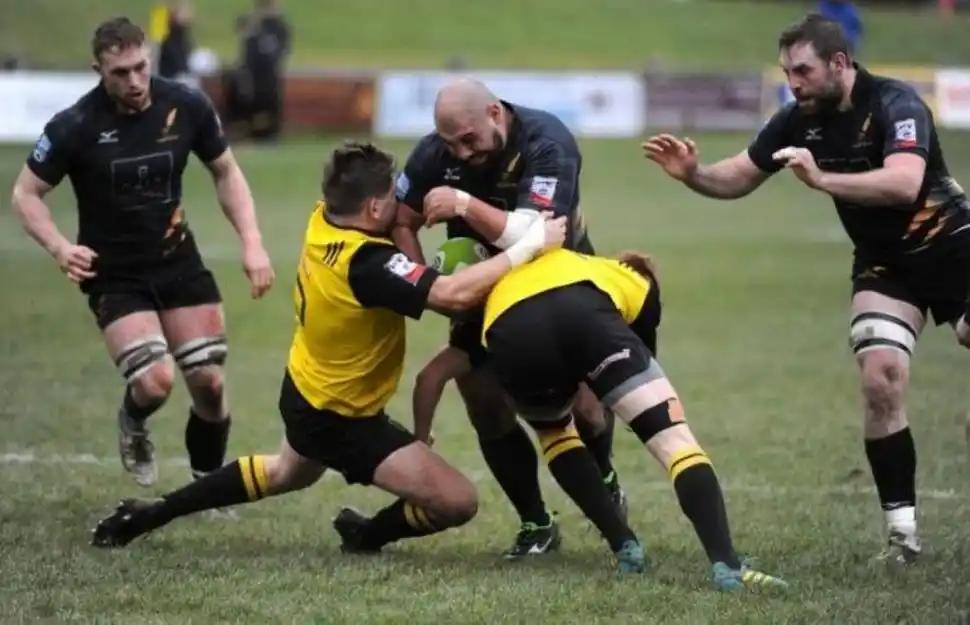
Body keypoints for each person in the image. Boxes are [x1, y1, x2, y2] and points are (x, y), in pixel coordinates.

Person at [89, 141, 568, 551]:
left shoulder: (323, 219)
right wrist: (527, 246)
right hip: (342, 418)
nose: (402, 207)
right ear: (374, 210)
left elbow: (394, 248)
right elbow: (450, 295)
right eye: (393, 199)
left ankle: (153, 513)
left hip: (306, 391)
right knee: (458, 501)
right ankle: (368, 536)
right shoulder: (368, 265)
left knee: (284, 474)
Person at [642, 13, 969, 564]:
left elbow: (905, 181)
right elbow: (740, 176)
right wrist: (694, 173)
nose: (792, 83)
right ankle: (902, 538)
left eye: (802, 70)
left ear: (839, 64)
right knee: (880, 379)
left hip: (953, 247)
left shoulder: (896, 103)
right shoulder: (798, 119)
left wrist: (822, 181)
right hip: (886, 266)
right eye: (786, 72)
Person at [10, 17, 275, 488]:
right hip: (114, 274)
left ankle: (205, 485)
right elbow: (25, 194)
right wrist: (58, 246)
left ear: (149, 59)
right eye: (120, 73)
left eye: (139, 68)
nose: (134, 82)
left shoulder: (186, 103)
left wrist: (252, 242)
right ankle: (133, 422)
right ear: (99, 70)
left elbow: (226, 171)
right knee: (155, 382)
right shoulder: (74, 126)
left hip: (178, 261)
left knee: (210, 385)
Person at [392, 78, 625, 558]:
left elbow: (539, 233)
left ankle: (604, 480)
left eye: (468, 139)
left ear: (495, 114)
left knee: (584, 408)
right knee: (485, 404)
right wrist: (424, 281)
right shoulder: (434, 155)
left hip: (556, 282)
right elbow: (400, 220)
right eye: (449, 142)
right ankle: (536, 522)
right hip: (479, 292)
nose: (458, 152)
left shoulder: (547, 141)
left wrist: (462, 205)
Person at [481, 248, 789, 590]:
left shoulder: (534, 273)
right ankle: (728, 566)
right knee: (672, 439)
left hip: (509, 328)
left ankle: (623, 545)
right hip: (584, 314)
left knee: (555, 433)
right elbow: (636, 360)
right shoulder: (636, 282)